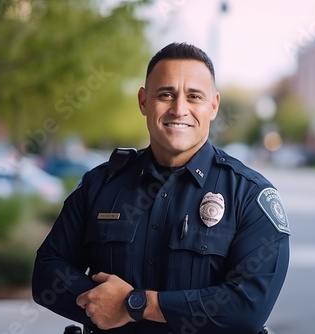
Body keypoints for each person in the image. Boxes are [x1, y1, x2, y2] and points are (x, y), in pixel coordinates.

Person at [32, 42, 290, 334]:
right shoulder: (100, 185)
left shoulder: (249, 195)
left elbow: (248, 307)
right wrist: (101, 305)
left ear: (213, 105)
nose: (179, 109)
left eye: (194, 96)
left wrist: (135, 305)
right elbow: (46, 274)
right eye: (166, 94)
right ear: (144, 101)